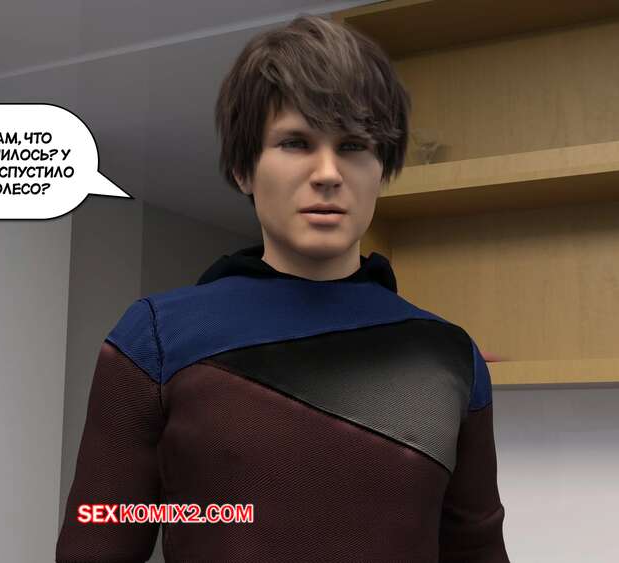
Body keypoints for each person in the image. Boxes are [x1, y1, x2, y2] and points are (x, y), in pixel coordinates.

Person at [55, 13, 508, 562]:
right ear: (243, 170)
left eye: (353, 145)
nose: (328, 173)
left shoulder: (450, 356)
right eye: (296, 142)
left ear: (382, 169)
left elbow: (478, 549)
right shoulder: (154, 339)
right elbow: (99, 538)